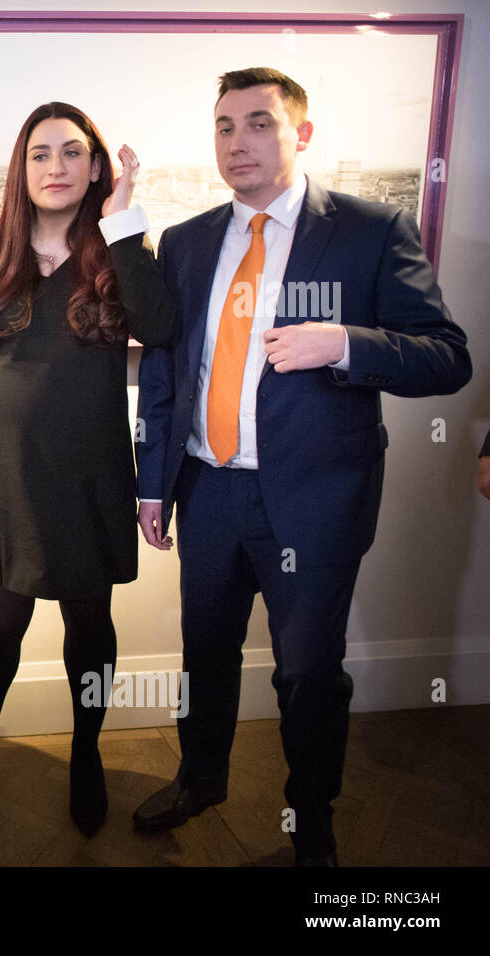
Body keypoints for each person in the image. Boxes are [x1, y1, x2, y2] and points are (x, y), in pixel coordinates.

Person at [133, 67, 471, 865]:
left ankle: (309, 817)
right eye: (224, 126)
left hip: (317, 499)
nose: (238, 142)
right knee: (203, 656)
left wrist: (346, 343)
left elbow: (448, 359)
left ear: (301, 135)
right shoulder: (186, 241)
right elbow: (165, 371)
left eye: (258, 123)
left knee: (309, 673)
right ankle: (201, 778)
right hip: (207, 488)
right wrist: (153, 482)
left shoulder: (368, 230)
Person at [0, 102, 177, 836]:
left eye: (71, 152)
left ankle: (87, 751)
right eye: (39, 153)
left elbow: (160, 329)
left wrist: (126, 220)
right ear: (20, 168)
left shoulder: (116, 248)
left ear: (95, 166)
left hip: (91, 470)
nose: (55, 167)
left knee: (89, 620)